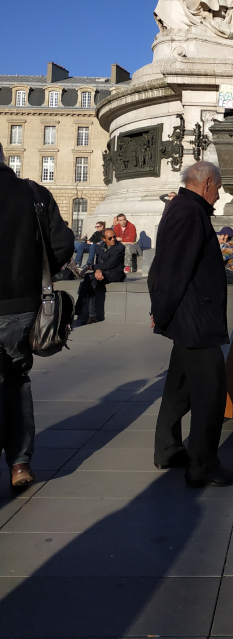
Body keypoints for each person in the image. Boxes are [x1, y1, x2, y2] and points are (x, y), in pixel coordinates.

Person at [150, 161, 233, 488]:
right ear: (207, 182)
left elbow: (163, 264)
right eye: (218, 188)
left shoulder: (180, 208)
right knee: (210, 391)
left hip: (187, 318)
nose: (218, 195)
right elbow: (172, 269)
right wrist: (160, 311)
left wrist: (163, 311)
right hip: (196, 319)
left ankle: (168, 449)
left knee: (179, 387)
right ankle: (203, 465)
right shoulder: (190, 213)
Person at [0, 142, 74, 488]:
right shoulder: (33, 193)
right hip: (22, 306)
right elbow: (61, 245)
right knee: (15, 382)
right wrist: (35, 278)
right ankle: (19, 463)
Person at [74, 228, 125, 325]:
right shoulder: (101, 247)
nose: (114, 239)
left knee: (90, 277)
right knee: (91, 280)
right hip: (102, 272)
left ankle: (79, 305)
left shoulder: (120, 248)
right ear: (104, 239)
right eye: (110, 238)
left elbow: (109, 265)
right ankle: (92, 316)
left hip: (114, 273)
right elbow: (99, 262)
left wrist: (91, 267)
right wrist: (97, 270)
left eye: (114, 236)